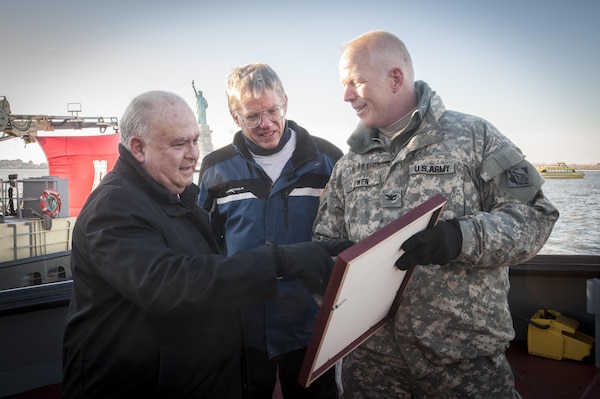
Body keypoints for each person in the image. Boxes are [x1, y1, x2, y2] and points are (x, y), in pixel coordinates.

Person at [312, 31, 559, 398]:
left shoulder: (474, 137)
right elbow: (325, 241)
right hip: (372, 366)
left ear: (395, 78)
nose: (345, 95)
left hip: (463, 363)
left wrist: (460, 238)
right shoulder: (349, 165)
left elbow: (536, 217)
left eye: (355, 82)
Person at [61, 90, 352, 399]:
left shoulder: (173, 195)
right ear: (138, 148)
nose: (193, 154)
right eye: (179, 144)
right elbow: (168, 283)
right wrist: (279, 260)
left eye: (195, 141)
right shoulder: (113, 207)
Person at [198, 63, 344, 399]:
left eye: (272, 110)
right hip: (244, 327)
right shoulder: (215, 168)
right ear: (235, 117)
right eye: (252, 116)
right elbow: (205, 241)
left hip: (313, 326)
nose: (266, 124)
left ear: (286, 103)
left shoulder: (329, 161)